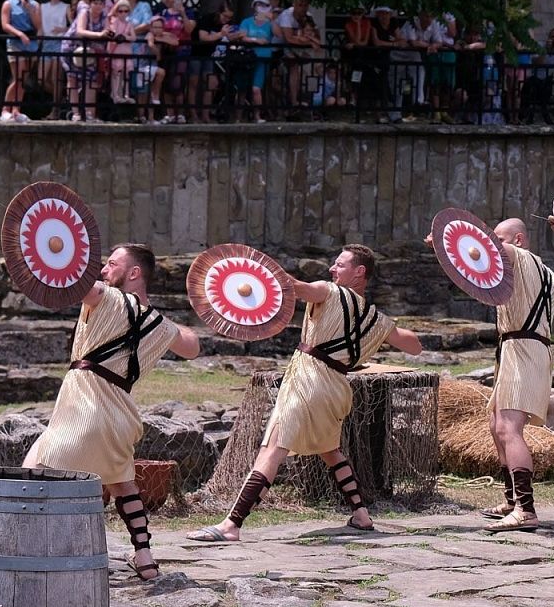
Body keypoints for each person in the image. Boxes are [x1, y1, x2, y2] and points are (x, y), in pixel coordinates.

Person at [186, 246, 423, 542]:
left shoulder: (330, 291)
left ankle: (231, 525)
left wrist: (262, 271)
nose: (332, 269)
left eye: (339, 264)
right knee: (330, 449)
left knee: (272, 448)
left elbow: (297, 288)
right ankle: (361, 515)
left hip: (308, 380)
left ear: (359, 271)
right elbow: (414, 346)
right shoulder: (376, 318)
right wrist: (382, 329)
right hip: (336, 387)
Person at [24, 244, 201, 580]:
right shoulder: (161, 326)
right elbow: (192, 347)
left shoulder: (106, 297)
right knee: (122, 484)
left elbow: (75, 283)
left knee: (31, 475)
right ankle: (145, 557)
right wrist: (159, 318)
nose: (104, 269)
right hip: (120, 414)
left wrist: (45, 251)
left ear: (134, 273)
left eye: (112, 263)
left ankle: (32, 553)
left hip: (84, 407)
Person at [441, 219, 554, 532]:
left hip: (525, 348)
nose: (493, 244)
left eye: (499, 239)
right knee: (495, 424)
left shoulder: (521, 257)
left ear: (518, 239)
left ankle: (526, 509)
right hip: (516, 348)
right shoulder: (537, 271)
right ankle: (512, 499)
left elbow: (491, 249)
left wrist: (452, 241)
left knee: (508, 426)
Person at [238, 0, 275, 123]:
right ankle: (238, 116)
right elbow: (242, 36)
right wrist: (256, 40)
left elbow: (278, 34)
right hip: (248, 58)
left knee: (256, 88)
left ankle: (257, 115)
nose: (260, 8)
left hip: (263, 59)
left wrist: (272, 20)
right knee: (242, 88)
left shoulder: (269, 23)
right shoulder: (247, 22)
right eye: (258, 5)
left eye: (263, 5)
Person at [38, 0, 70, 118]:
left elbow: (74, 26)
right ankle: (62, 99)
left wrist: (63, 29)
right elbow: (39, 25)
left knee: (56, 78)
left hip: (59, 42)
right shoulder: (42, 7)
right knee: (41, 79)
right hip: (46, 42)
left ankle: (55, 110)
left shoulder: (66, 7)